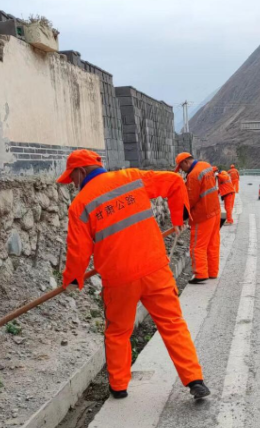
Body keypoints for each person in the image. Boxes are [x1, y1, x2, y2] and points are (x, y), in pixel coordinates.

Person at [58, 149, 210, 400]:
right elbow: (174, 181)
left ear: (81, 171)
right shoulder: (130, 178)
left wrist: (73, 279)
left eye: (72, 178)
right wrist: (177, 218)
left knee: (118, 332)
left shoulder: (80, 205)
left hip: (119, 279)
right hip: (155, 269)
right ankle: (194, 379)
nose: (73, 184)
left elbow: (78, 250)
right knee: (172, 324)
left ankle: (118, 386)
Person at [175, 152, 221, 284]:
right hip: (215, 211)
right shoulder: (205, 165)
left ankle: (200, 274)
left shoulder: (194, 175)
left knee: (197, 246)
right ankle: (212, 272)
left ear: (185, 162)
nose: (182, 171)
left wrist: (182, 216)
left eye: (181, 167)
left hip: (202, 215)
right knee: (212, 244)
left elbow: (190, 199)